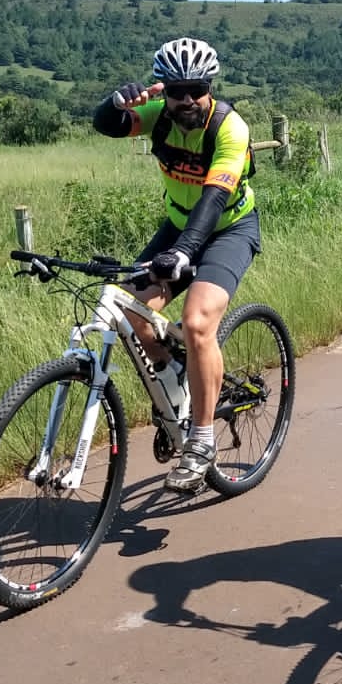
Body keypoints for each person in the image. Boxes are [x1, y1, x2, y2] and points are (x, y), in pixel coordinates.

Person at [92, 36, 260, 492]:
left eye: (195, 89)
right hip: (177, 226)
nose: (185, 99)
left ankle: (201, 441)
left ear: (209, 86)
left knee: (197, 321)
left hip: (227, 229)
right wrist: (115, 102)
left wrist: (185, 253)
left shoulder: (229, 128)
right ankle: (175, 383)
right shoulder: (159, 115)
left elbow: (214, 197)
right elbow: (108, 125)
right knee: (128, 308)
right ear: (162, 89)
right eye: (174, 89)